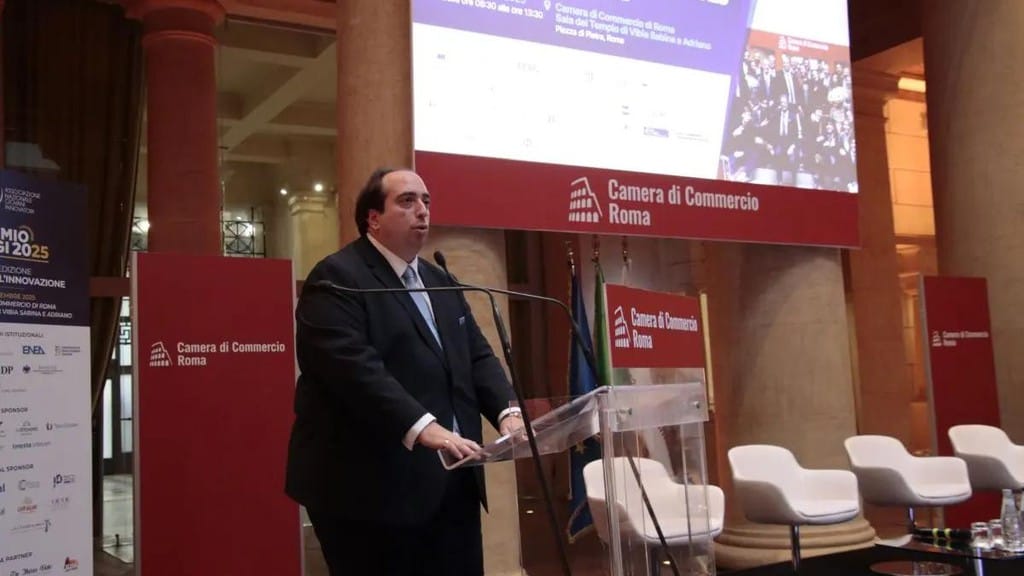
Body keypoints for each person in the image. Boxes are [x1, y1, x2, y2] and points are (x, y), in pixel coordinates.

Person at [285, 167, 525, 576]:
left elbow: (476, 356)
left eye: (426, 201)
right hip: (368, 491)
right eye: (407, 201)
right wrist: (424, 426)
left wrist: (508, 411)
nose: (422, 211)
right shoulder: (338, 278)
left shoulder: (439, 279)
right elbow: (353, 369)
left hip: (452, 481)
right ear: (373, 218)